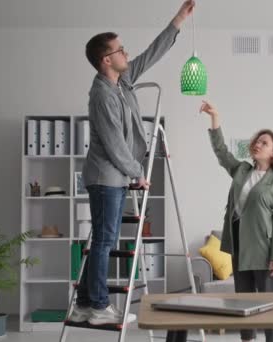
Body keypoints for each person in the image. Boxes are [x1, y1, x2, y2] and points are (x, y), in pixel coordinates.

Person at [69, 0, 196, 326]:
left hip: (113, 176)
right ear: (106, 59)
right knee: (105, 240)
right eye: (120, 50)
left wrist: (178, 20)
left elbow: (152, 53)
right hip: (106, 176)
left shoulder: (122, 82)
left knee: (102, 238)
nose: (126, 53)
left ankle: (84, 303)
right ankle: (97, 305)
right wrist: (139, 173)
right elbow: (113, 144)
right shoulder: (102, 94)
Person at [200, 100, 273, 342]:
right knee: (242, 299)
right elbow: (221, 152)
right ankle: (247, 339)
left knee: (268, 302)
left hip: (263, 250)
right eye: (257, 141)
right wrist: (215, 118)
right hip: (238, 244)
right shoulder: (241, 170)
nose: (257, 144)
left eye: (264, 142)